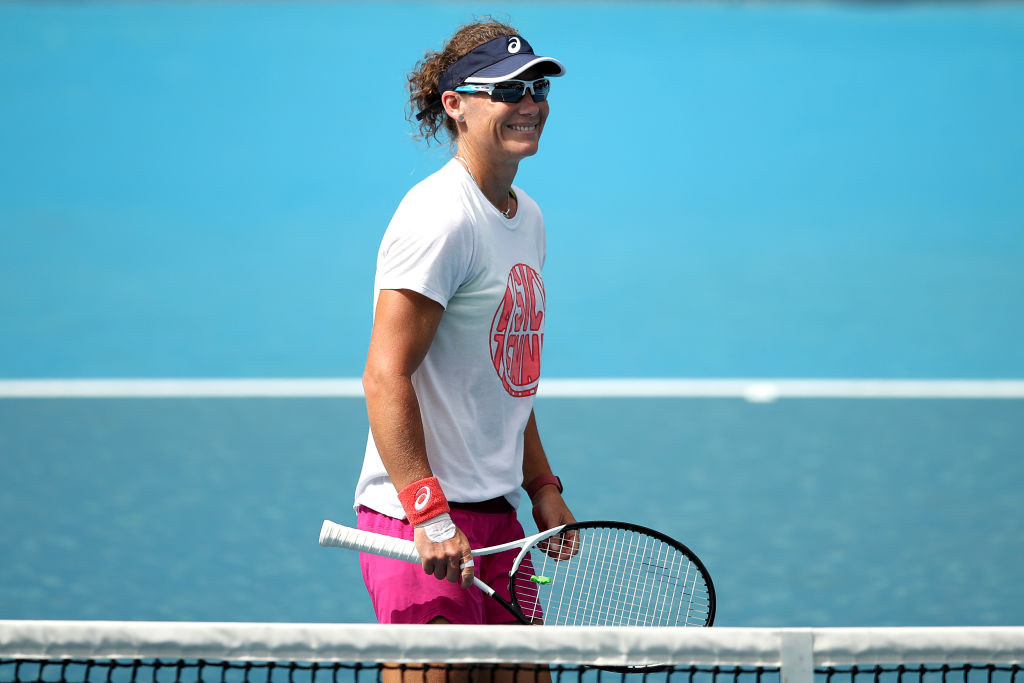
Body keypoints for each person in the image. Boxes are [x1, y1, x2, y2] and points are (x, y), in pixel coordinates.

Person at [352, 16, 576, 640]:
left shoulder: (526, 217)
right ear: (455, 105)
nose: (528, 103)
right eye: (506, 91)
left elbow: (504, 375)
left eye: (537, 89)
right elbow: (384, 374)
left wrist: (541, 485)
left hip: (498, 524)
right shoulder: (439, 218)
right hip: (424, 523)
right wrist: (428, 510)